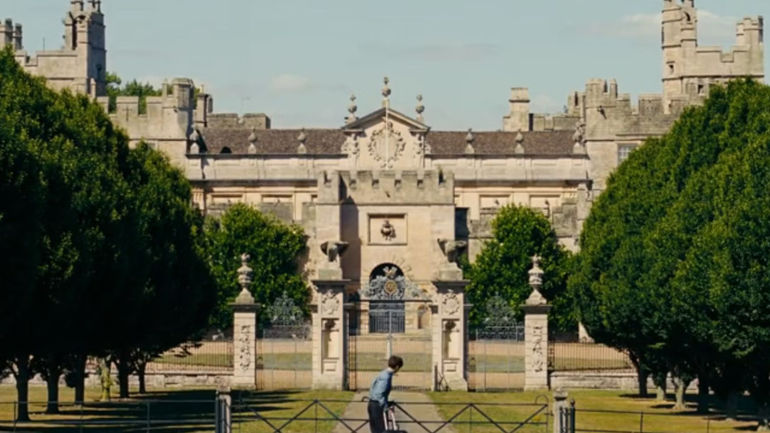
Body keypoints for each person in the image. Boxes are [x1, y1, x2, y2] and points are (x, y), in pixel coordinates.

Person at [368, 355, 403, 433]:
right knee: (381, 430)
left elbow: (373, 387)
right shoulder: (386, 377)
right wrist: (385, 406)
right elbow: (379, 393)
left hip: (372, 404)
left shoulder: (383, 373)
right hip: (377, 406)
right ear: (397, 367)